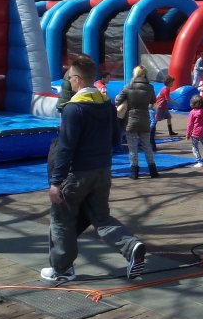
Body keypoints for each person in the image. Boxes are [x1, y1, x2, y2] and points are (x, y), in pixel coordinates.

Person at [43, 56, 147, 282]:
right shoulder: (106, 104)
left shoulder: (73, 109)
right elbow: (114, 139)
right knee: (102, 218)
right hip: (102, 171)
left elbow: (66, 148)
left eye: (70, 78)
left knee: (62, 219)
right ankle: (132, 246)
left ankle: (61, 269)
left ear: (78, 79)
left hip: (76, 173)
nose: (68, 82)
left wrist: (55, 182)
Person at [115, 66, 158, 179]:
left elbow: (117, 100)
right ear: (145, 74)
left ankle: (134, 172)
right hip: (144, 119)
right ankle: (153, 170)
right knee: (147, 146)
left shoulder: (129, 86)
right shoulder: (150, 87)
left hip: (131, 120)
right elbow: (153, 100)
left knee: (132, 148)